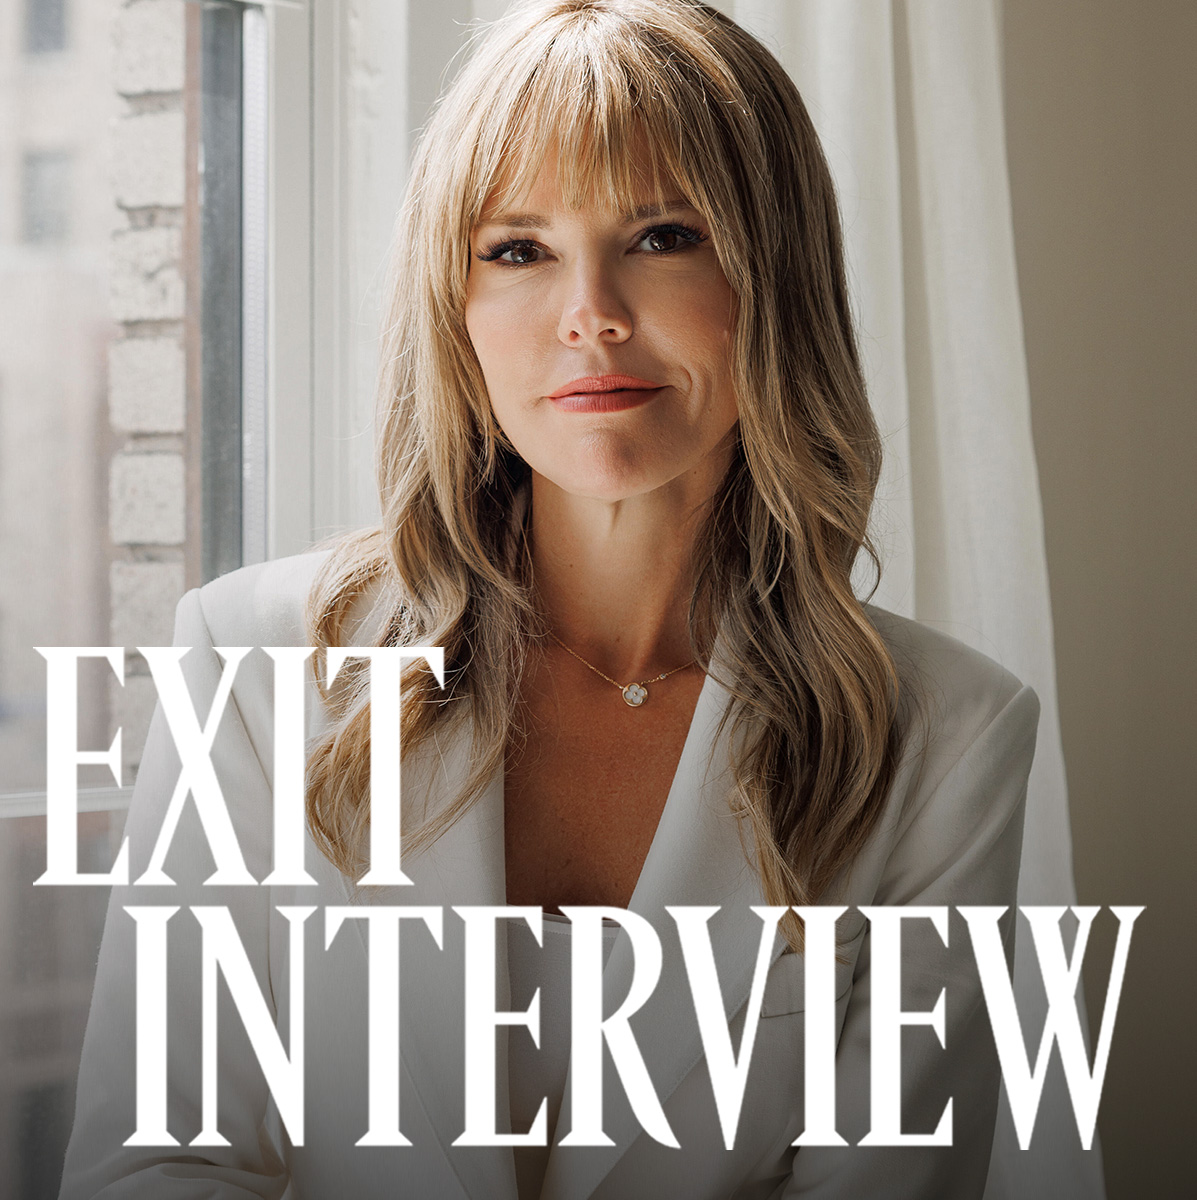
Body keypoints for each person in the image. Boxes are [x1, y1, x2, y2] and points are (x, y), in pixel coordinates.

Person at [60, 1, 1039, 1197]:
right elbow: (150, 1162)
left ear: (773, 277)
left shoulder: (950, 734)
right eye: (517, 249)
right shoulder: (250, 665)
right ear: (455, 310)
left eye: (665, 234)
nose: (592, 313)